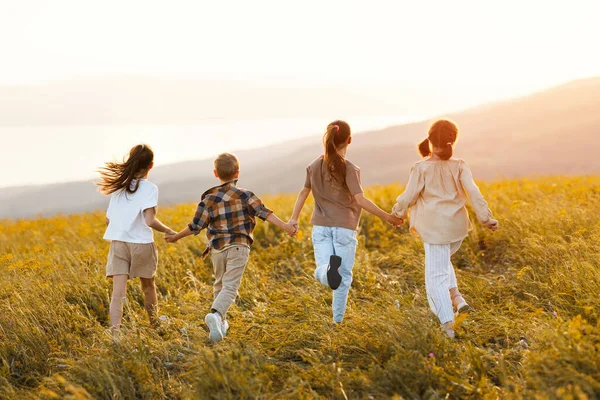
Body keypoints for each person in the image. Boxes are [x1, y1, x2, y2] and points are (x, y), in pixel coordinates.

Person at [165, 153, 297, 342]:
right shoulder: (245, 195)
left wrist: (176, 236)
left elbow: (195, 225)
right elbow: (264, 213)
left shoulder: (208, 199)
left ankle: (218, 328)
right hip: (238, 246)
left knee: (220, 286)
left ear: (215, 173)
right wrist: (285, 226)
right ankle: (216, 315)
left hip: (217, 250)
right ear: (237, 172)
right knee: (230, 288)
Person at [392, 119, 499, 338]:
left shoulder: (421, 168)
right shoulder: (460, 165)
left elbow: (409, 196)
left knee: (435, 278)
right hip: (455, 230)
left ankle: (447, 327)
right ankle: (458, 299)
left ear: (430, 140)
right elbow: (474, 192)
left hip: (434, 230)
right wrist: (486, 218)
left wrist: (397, 213)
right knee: (442, 263)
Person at [289, 120, 403, 323]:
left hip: (321, 227)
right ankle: (337, 321)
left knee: (321, 270)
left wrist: (293, 219)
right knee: (343, 278)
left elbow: (303, 193)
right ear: (349, 140)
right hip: (345, 228)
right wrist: (388, 217)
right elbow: (360, 200)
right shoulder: (350, 169)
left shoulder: (314, 165)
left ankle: (326, 272)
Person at [98, 144, 175, 337]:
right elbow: (149, 221)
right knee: (148, 287)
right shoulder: (150, 188)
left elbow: (109, 220)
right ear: (151, 165)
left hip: (118, 244)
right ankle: (155, 325)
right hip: (141, 244)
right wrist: (168, 230)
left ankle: (115, 335)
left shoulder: (118, 188)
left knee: (118, 293)